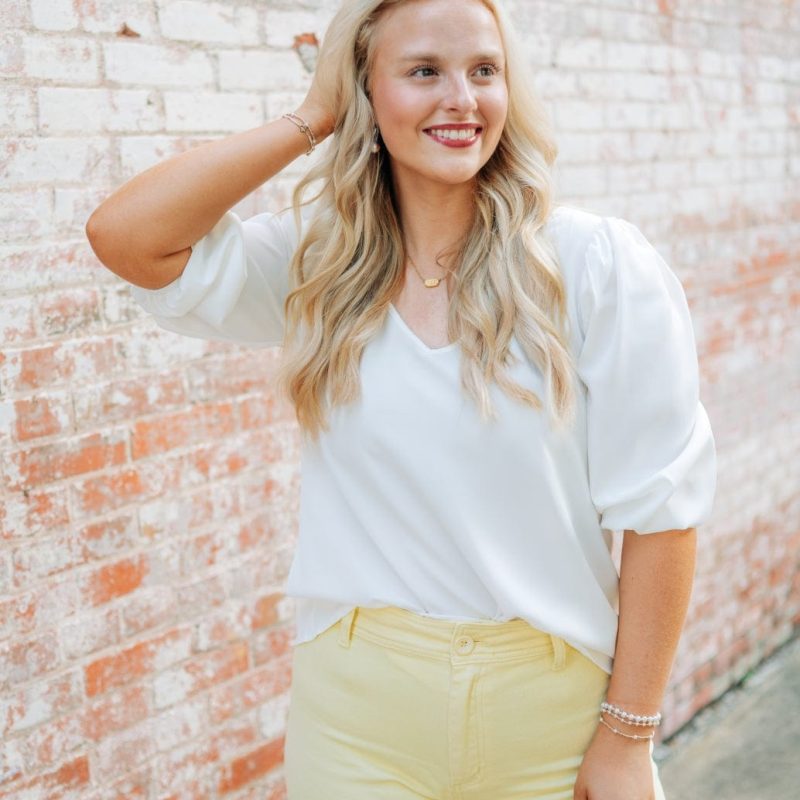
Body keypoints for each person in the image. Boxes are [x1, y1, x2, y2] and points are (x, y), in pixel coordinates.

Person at [86, 1, 717, 798]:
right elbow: (127, 237)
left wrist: (628, 736)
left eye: (484, 70)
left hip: (551, 718)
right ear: (366, 93)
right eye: (424, 71)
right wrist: (313, 116)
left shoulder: (592, 266)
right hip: (357, 721)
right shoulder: (320, 266)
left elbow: (662, 515)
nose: (463, 98)